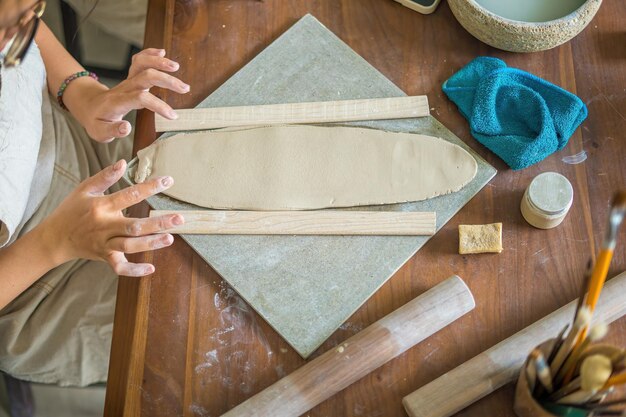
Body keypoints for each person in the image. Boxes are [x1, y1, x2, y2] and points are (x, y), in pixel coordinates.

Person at [0, 0, 187, 386]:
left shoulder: (12, 20)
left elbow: (21, 26)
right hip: (35, 291)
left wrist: (83, 94)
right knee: (187, 328)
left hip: (78, 145)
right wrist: (56, 241)